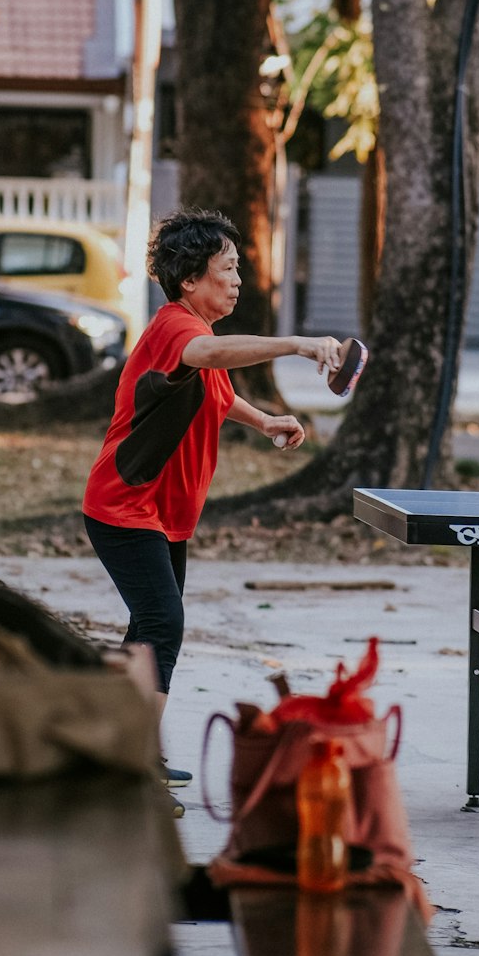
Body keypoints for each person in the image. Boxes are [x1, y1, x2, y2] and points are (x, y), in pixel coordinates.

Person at [82, 208, 344, 795]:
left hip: (160, 513)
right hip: (125, 509)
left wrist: (265, 420)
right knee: (162, 621)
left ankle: (122, 748)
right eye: (227, 268)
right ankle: (127, 764)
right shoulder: (178, 330)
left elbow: (216, 391)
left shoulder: (195, 334)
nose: (238, 279)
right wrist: (297, 345)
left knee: (152, 627)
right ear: (190, 280)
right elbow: (209, 360)